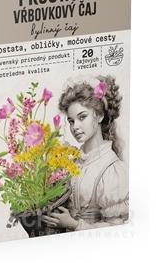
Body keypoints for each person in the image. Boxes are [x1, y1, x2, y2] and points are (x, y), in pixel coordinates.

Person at [42, 75, 129, 231]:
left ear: (99, 116)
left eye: (82, 117)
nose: (75, 127)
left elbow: (117, 228)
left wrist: (74, 224)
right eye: (71, 121)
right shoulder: (73, 161)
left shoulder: (112, 169)